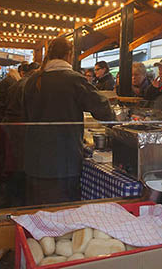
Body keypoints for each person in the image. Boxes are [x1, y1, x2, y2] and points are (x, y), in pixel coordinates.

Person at [21, 38, 114, 205]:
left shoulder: (32, 81)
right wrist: (116, 123)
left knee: (36, 210)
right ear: (69, 55)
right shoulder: (73, 80)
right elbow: (103, 109)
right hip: (62, 161)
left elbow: (24, 115)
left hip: (34, 159)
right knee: (62, 212)